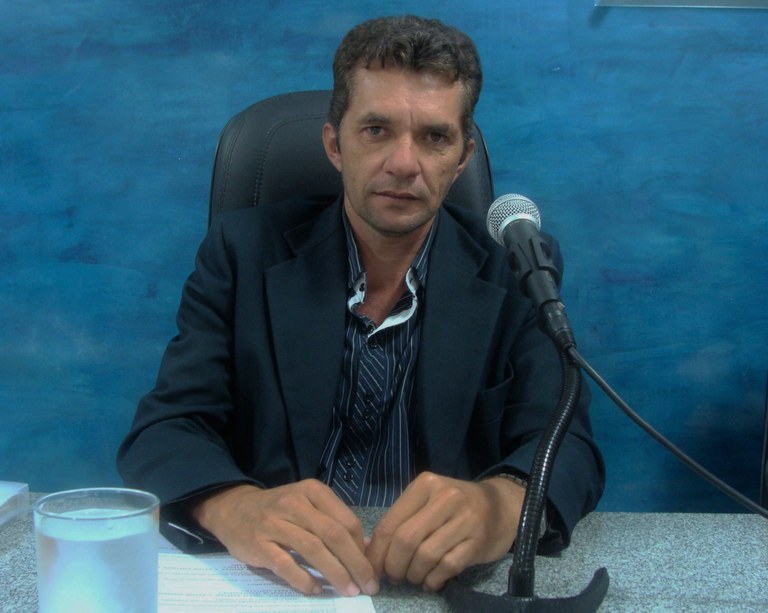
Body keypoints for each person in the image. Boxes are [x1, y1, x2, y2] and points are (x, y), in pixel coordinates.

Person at [117, 14, 604, 598]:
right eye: (376, 130)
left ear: (461, 158)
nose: (404, 163)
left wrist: (502, 505)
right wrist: (235, 507)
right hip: (285, 585)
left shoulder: (516, 267)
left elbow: (570, 444)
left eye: (434, 137)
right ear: (334, 145)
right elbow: (164, 429)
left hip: (436, 589)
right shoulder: (242, 253)